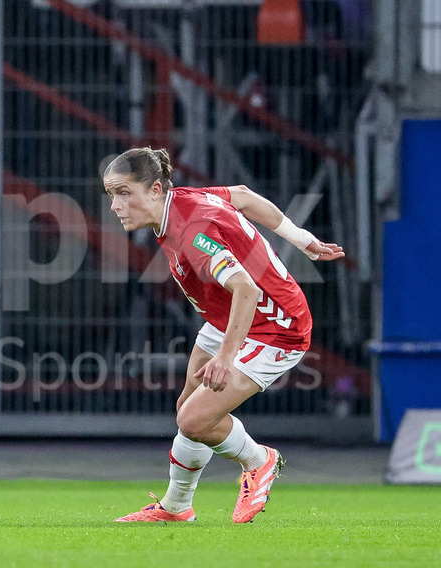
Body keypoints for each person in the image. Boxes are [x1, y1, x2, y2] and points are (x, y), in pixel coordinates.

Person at [103, 147, 343, 523]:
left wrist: (226, 357)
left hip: (274, 327)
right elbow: (244, 195)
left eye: (123, 193)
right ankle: (176, 507)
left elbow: (246, 289)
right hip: (227, 316)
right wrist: (301, 239)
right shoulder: (183, 200)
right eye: (111, 195)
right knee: (188, 410)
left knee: (194, 420)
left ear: (155, 190)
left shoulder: (191, 233)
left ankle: (259, 460)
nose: (115, 205)